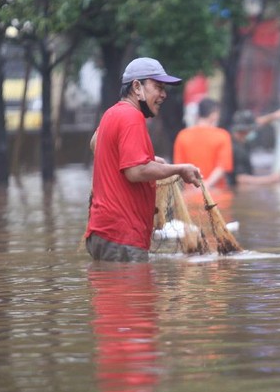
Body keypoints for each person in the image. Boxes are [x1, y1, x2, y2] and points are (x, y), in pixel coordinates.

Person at [85, 57, 202, 262]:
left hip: (102, 233)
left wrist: (147, 159)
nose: (163, 94)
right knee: (134, 294)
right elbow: (136, 172)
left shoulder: (111, 114)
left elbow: (96, 143)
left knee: (111, 293)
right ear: (137, 86)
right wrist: (179, 169)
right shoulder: (132, 117)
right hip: (123, 235)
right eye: (158, 87)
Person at [173, 98, 232, 189]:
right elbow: (222, 167)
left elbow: (179, 168)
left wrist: (196, 186)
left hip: (190, 194)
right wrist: (206, 185)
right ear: (214, 114)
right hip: (217, 195)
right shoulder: (223, 135)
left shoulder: (182, 135)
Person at [227, 109, 280, 186]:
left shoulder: (241, 140)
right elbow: (240, 179)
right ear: (245, 130)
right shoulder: (235, 149)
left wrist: (273, 116)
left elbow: (258, 122)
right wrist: (270, 179)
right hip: (238, 189)